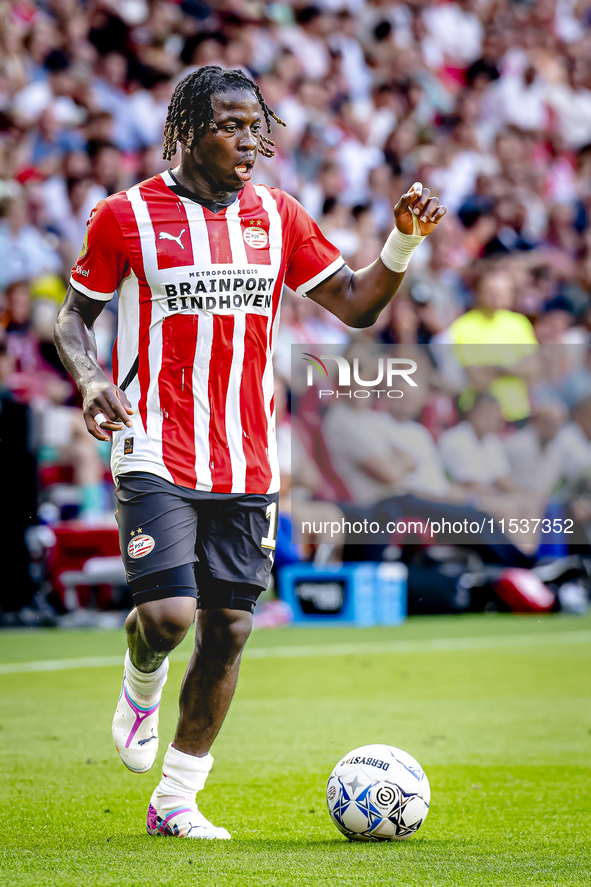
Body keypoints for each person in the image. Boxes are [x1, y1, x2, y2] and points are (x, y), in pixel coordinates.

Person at [53, 66, 446, 841]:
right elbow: (73, 320)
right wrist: (93, 380)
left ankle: (175, 800)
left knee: (230, 627)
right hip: (153, 441)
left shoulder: (278, 215)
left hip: (247, 454)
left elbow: (358, 304)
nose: (249, 141)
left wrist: (402, 239)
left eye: (256, 126)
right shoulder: (125, 215)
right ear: (188, 129)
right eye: (231, 125)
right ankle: (141, 677)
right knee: (166, 616)